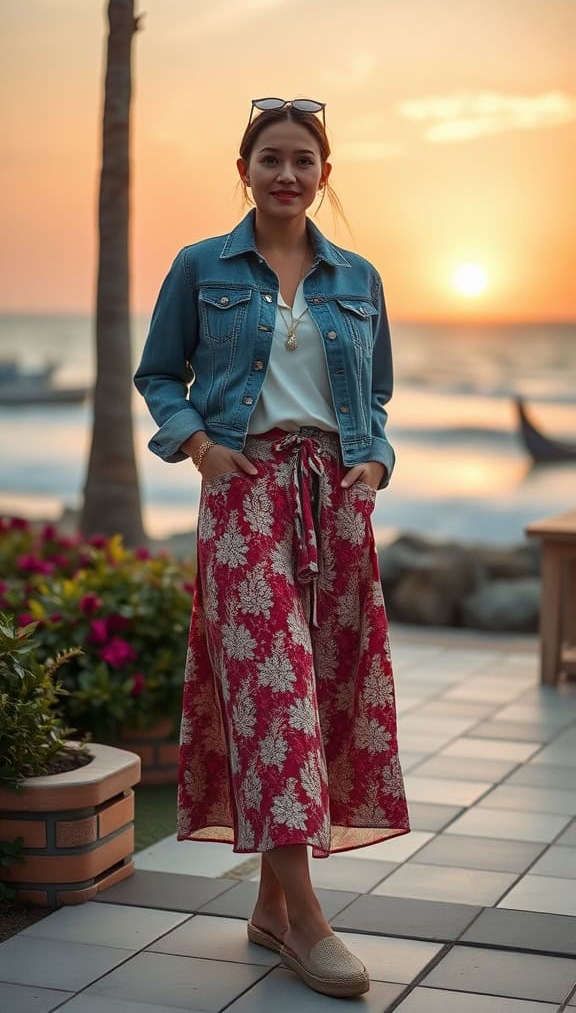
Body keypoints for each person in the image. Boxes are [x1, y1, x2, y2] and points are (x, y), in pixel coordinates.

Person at [134, 96, 410, 999]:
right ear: (243, 169)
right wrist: (203, 449)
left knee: (321, 694)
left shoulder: (358, 277)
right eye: (270, 159)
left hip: (334, 501)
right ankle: (309, 925)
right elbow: (157, 375)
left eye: (303, 161)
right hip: (245, 496)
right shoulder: (200, 266)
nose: (286, 174)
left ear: (324, 176)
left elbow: (374, 397)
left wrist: (371, 469)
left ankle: (265, 909)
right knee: (275, 698)